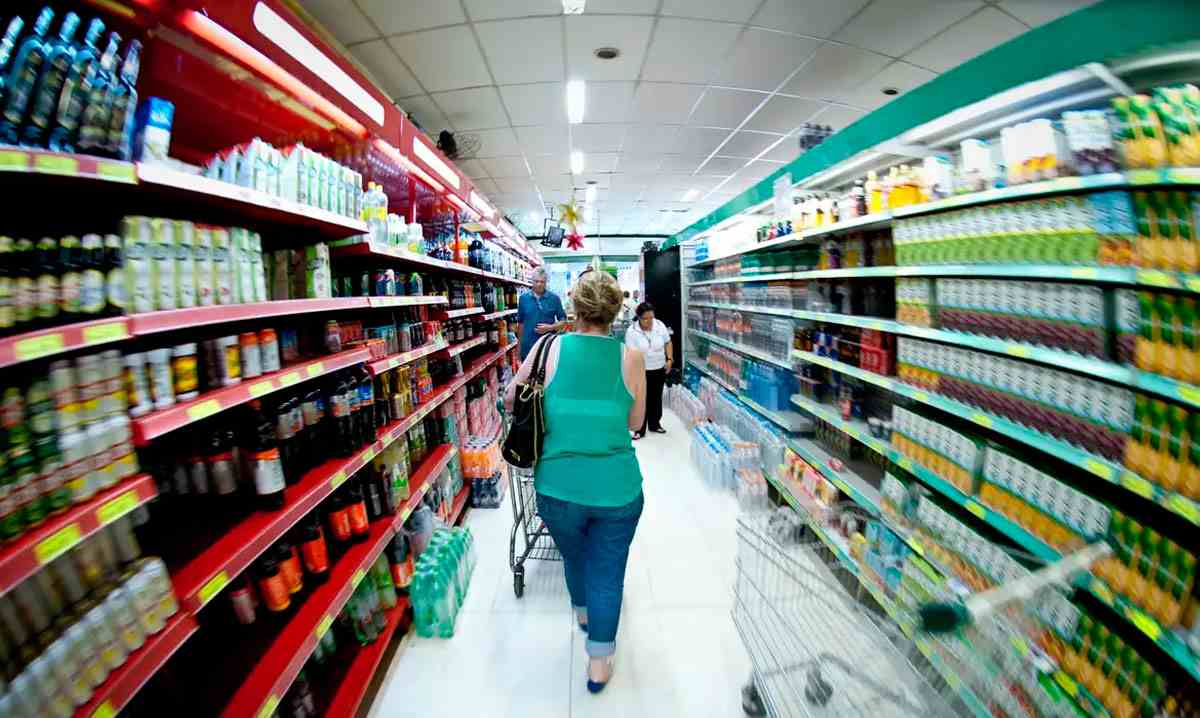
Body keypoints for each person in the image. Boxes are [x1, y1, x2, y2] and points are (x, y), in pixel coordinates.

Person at [504, 270, 646, 694]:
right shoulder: (631, 358)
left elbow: (513, 399)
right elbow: (635, 422)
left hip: (557, 490)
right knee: (608, 570)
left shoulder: (548, 349)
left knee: (574, 555)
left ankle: (583, 611)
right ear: (614, 311)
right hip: (618, 491)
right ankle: (599, 661)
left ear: (574, 308)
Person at [624, 302, 672, 438]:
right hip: (641, 370)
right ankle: (639, 428)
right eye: (646, 318)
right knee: (641, 399)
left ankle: (655, 424)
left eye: (651, 317)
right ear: (638, 318)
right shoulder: (632, 331)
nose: (650, 321)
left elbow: (668, 342)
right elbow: (631, 354)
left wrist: (669, 359)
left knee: (656, 397)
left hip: (659, 367)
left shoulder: (659, 325)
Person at [515, 267, 567, 360]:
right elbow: (521, 324)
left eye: (542, 282)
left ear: (546, 282)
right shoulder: (523, 299)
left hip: (547, 347)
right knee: (529, 373)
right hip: (528, 348)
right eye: (536, 281)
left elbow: (563, 321)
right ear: (532, 281)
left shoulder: (554, 299)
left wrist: (551, 327)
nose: (539, 284)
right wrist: (519, 348)